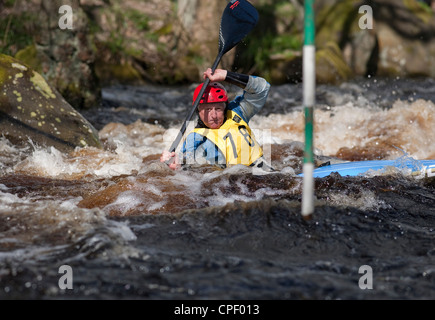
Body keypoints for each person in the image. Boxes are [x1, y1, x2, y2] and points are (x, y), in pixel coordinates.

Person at [160, 68, 271, 171]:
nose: (213, 115)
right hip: (235, 185)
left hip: (263, 175)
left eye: (218, 108)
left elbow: (262, 88)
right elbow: (190, 170)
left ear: (225, 107)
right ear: (198, 111)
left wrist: (227, 76)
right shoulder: (195, 139)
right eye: (207, 109)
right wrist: (176, 165)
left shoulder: (238, 113)